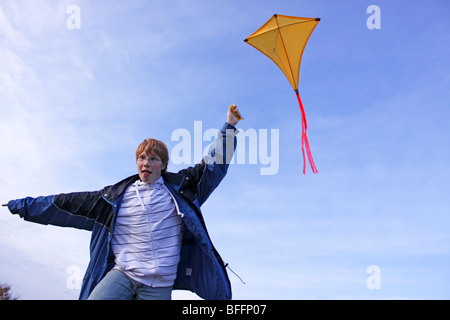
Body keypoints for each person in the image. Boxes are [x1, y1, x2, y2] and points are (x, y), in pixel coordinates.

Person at [2, 105, 243, 300]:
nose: (145, 162)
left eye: (152, 158)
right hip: (123, 274)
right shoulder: (113, 197)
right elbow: (64, 204)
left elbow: (212, 166)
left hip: (159, 285)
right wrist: (21, 205)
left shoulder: (182, 190)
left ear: (163, 165)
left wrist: (229, 126)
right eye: (141, 158)